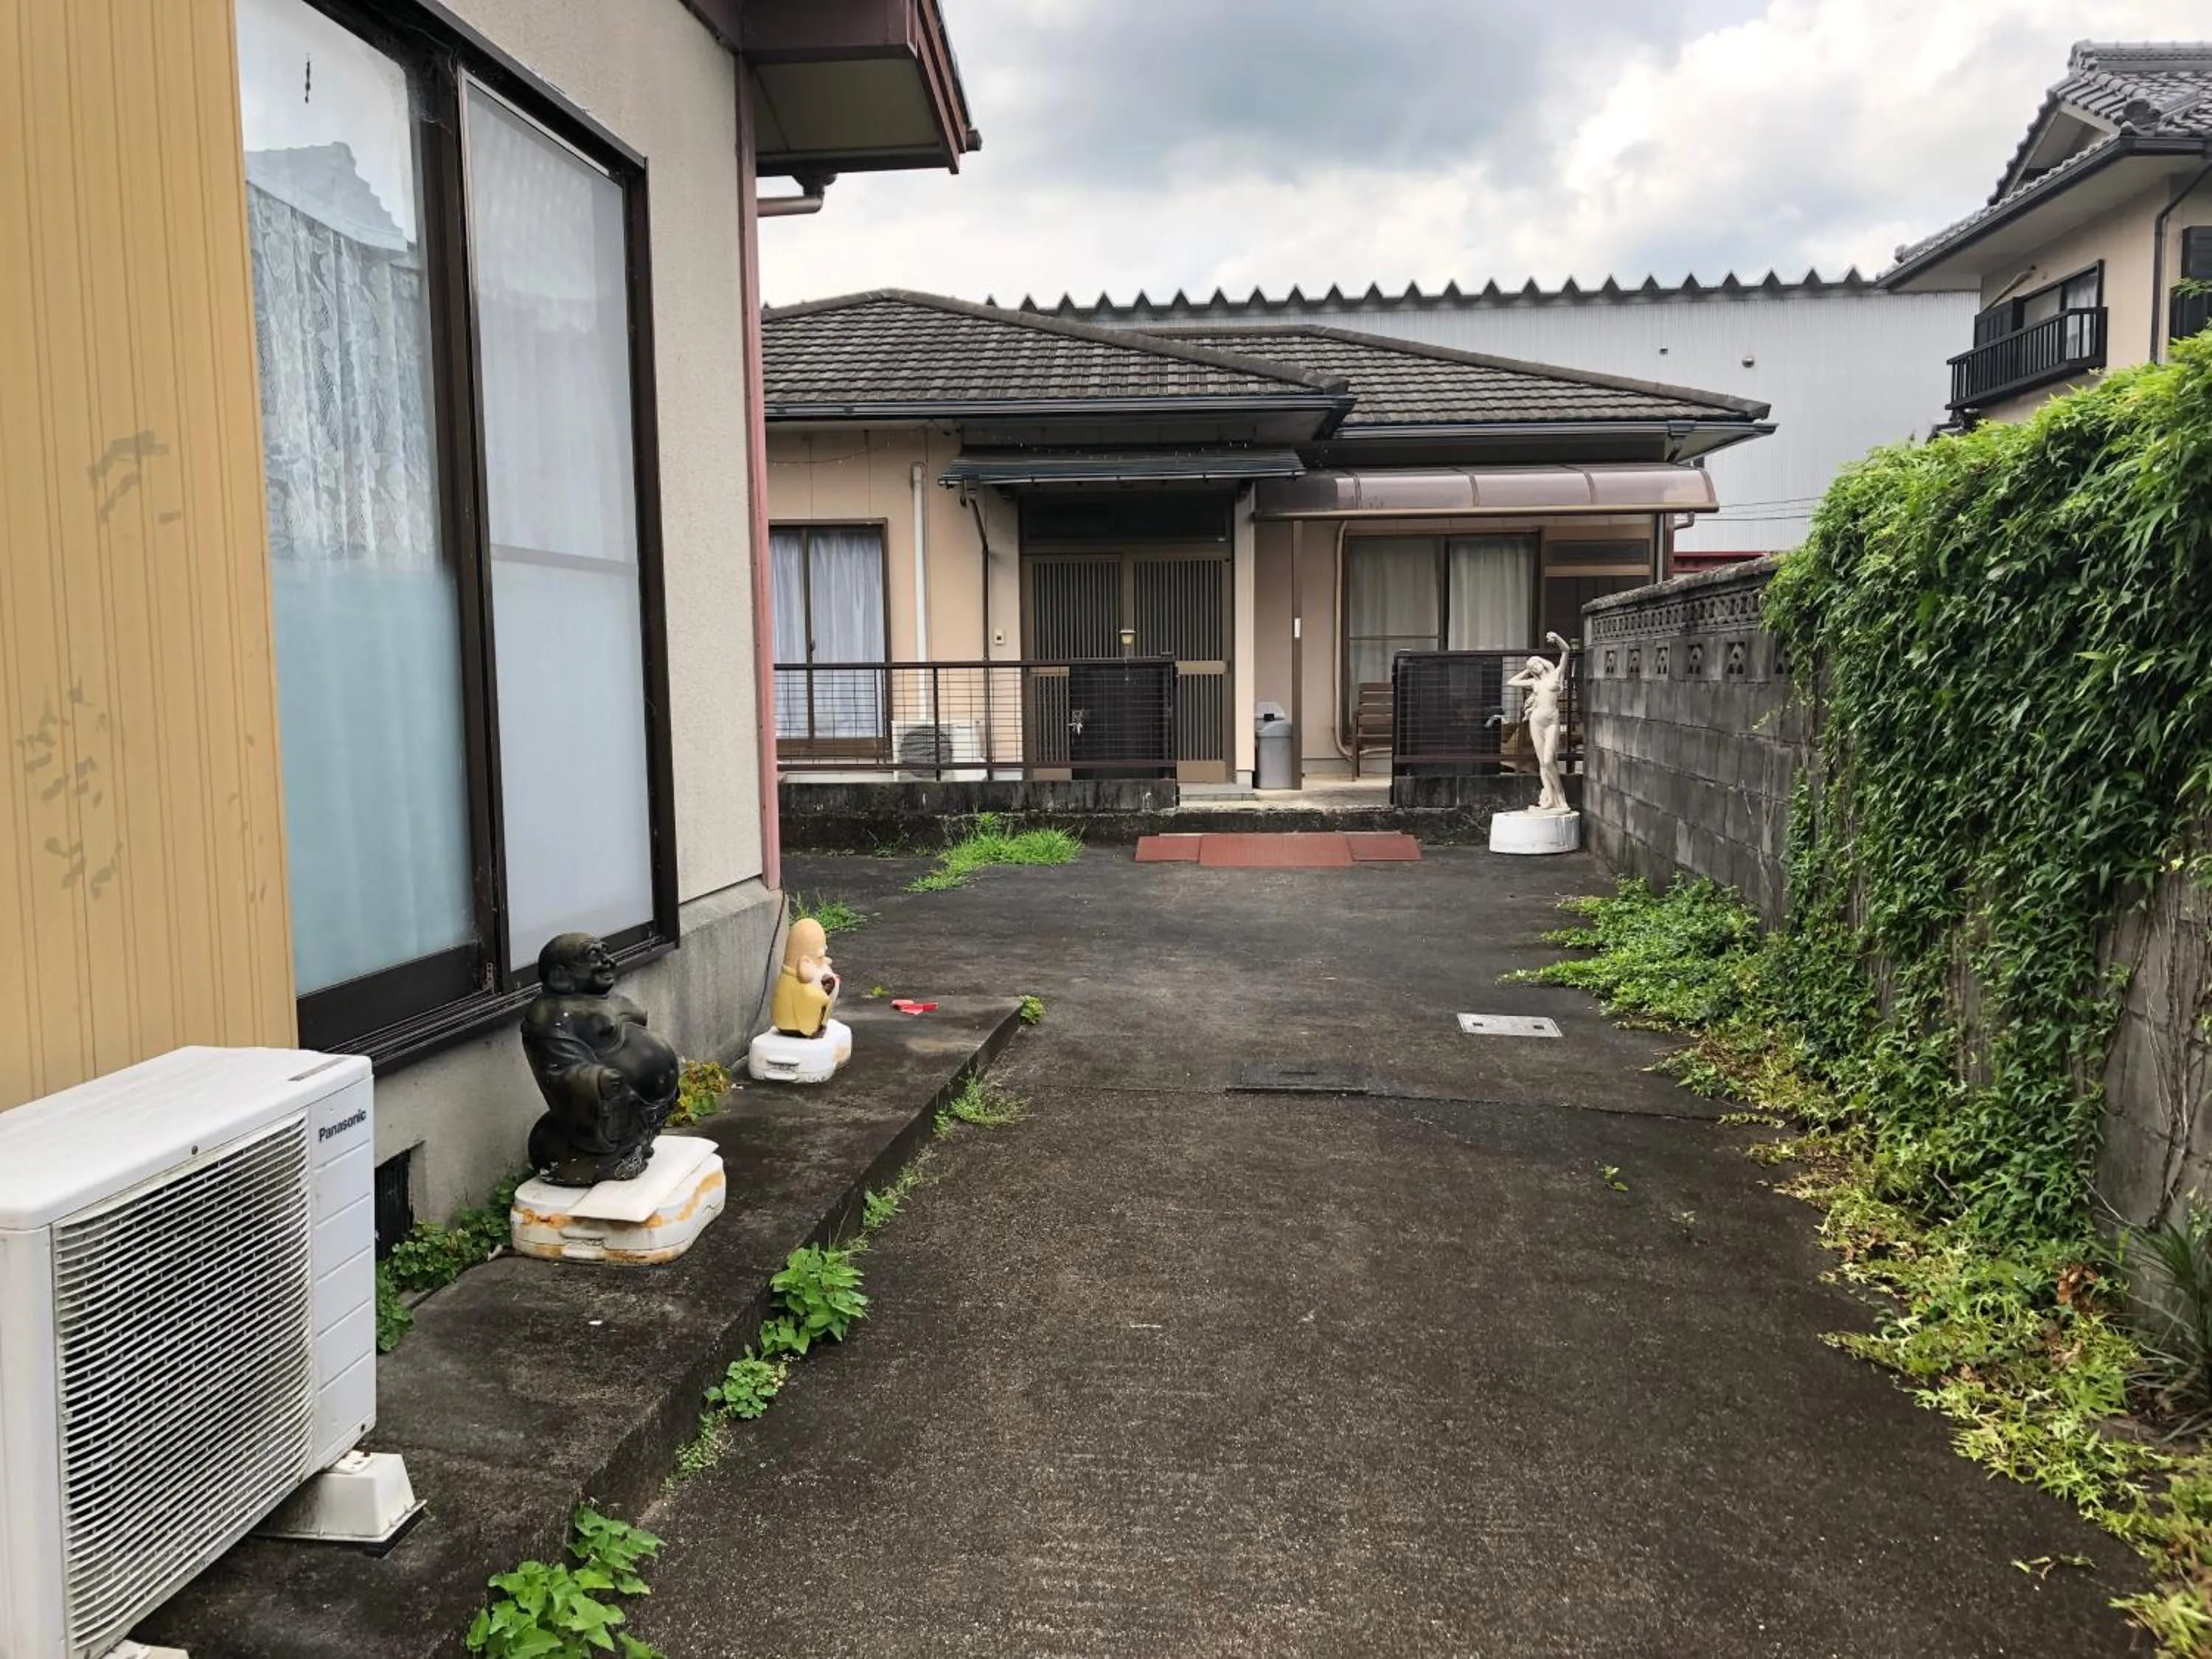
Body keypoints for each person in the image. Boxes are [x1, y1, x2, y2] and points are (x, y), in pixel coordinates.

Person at [1506, 632, 1574, 813]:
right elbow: (1511, 682)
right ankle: (1551, 800)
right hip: (1536, 721)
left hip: (1552, 721)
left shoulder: (1556, 675)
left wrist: (1557, 638)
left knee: (1549, 760)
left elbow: (1566, 651)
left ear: (1542, 662)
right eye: (1531, 667)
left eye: (1535, 663)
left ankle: (1560, 797)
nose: (1534, 667)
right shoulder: (1534, 683)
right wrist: (1528, 669)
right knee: (1542, 764)